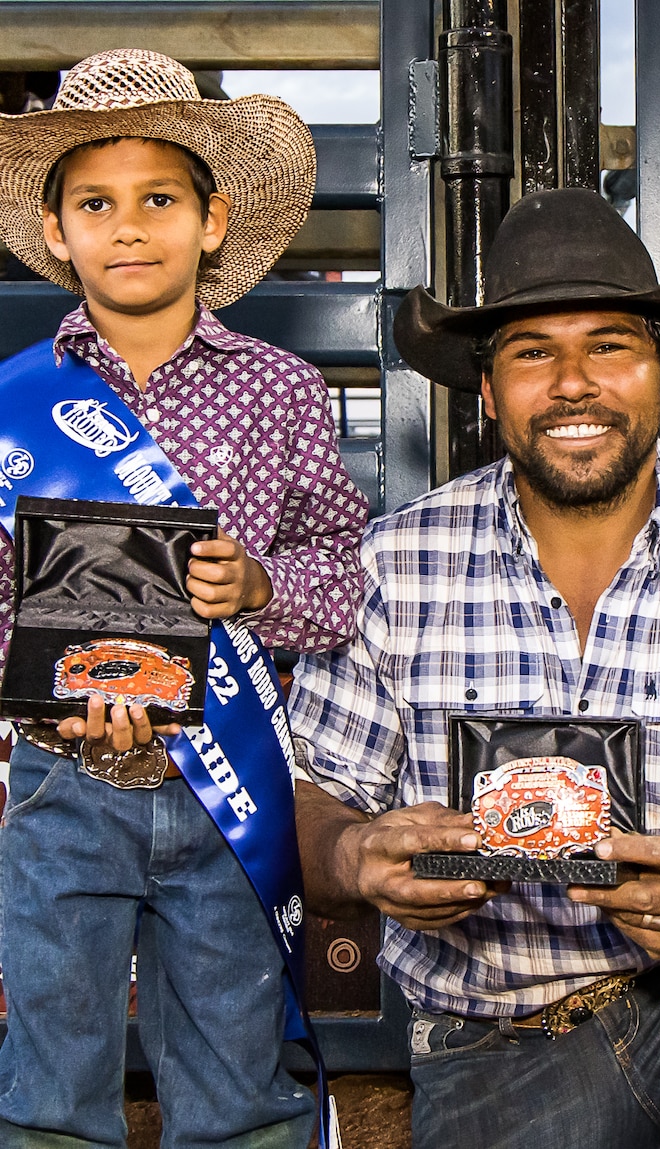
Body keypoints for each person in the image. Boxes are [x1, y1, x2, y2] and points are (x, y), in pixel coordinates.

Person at [288, 188, 660, 1149]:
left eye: (609, 345)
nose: (572, 383)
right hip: (497, 1047)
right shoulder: (397, 563)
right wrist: (354, 853)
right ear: (486, 386)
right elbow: (306, 789)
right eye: (531, 352)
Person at [0, 48, 368, 1148]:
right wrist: (34, 692)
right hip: (62, 782)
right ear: (57, 232)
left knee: (237, 1075)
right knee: (49, 1082)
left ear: (211, 223)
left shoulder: (279, 388)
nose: (128, 225)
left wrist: (258, 586)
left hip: (228, 785)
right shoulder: (13, 399)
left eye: (158, 199)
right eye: (95, 203)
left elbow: (340, 578)